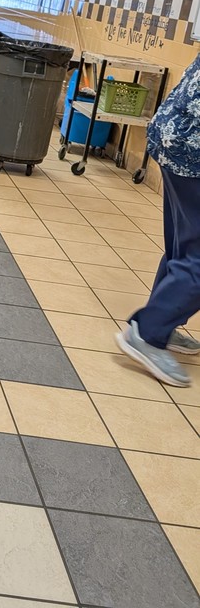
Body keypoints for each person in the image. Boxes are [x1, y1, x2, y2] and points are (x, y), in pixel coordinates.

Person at [116, 50, 200, 386]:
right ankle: (148, 334)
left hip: (173, 137)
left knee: (184, 247)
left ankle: (161, 324)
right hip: (193, 150)